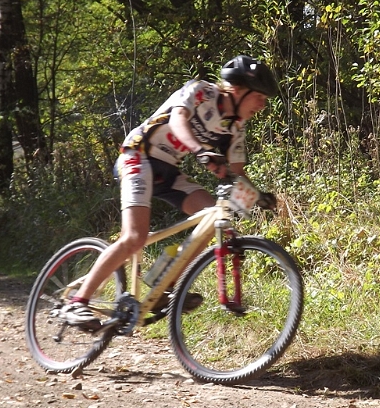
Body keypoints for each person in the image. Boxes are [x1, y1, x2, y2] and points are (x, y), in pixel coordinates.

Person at [61, 55, 280, 329]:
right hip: (138, 156)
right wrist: (200, 151)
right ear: (237, 90)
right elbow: (178, 121)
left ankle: (162, 288)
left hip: (167, 170)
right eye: (259, 97)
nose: (262, 105)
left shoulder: (235, 126)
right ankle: (77, 302)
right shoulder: (201, 91)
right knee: (135, 237)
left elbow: (237, 172)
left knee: (212, 218)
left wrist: (257, 195)